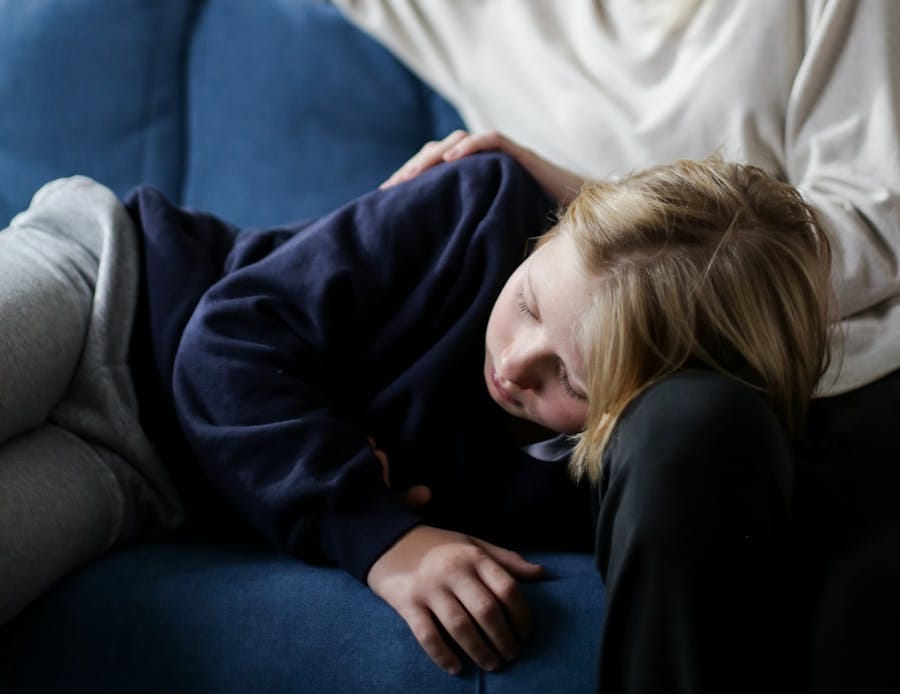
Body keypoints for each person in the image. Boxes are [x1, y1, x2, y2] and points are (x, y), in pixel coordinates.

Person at [257, 0, 900, 692]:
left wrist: (575, 190)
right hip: (638, 396)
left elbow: (874, 228)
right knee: (692, 425)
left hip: (837, 372)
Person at [0, 150, 831, 686]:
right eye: (529, 306)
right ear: (550, 236)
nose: (514, 365)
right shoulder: (474, 206)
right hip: (107, 287)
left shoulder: (598, 475)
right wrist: (384, 539)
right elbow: (223, 348)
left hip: (141, 478)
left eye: (568, 381)